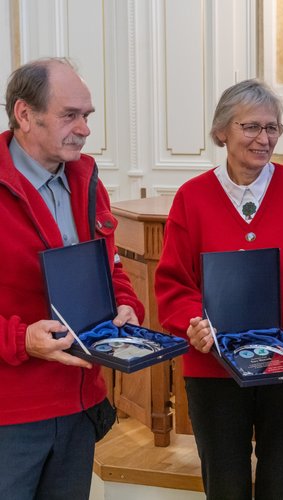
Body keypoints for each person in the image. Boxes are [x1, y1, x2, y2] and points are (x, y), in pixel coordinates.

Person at [154, 78, 283, 499]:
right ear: (222, 130)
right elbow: (173, 282)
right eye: (251, 127)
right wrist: (195, 323)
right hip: (214, 370)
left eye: (272, 128)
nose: (264, 139)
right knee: (226, 485)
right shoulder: (191, 198)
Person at [0, 58, 145, 499]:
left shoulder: (88, 180)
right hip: (11, 418)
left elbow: (111, 268)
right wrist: (20, 339)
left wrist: (127, 305)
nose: (84, 129)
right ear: (25, 114)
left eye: (87, 116)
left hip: (80, 408)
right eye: (70, 115)